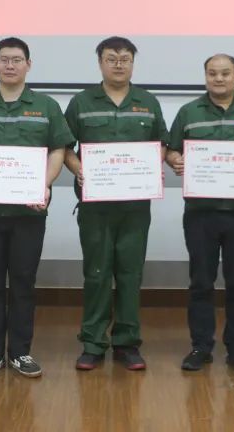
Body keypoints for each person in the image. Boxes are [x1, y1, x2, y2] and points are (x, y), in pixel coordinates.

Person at [0, 38, 73, 380]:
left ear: (28, 65)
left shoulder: (46, 106)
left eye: (17, 59)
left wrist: (44, 185)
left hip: (29, 212)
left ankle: (21, 351)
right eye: (4, 59)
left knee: (23, 282)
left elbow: (57, 150)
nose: (10, 65)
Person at [166, 54, 234, 373]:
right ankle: (200, 346)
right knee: (201, 282)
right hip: (200, 213)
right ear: (205, 76)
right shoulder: (189, 112)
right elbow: (171, 149)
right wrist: (175, 160)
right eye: (212, 73)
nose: (218, 79)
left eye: (225, 73)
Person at [63, 37, 168, 372]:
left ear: (133, 63)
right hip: (95, 206)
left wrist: (150, 168)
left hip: (135, 207)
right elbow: (64, 146)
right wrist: (79, 169)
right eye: (111, 58)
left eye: (125, 59)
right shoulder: (81, 102)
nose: (118, 64)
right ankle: (93, 343)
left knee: (129, 274)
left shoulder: (147, 102)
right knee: (96, 273)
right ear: (100, 63)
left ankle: (127, 342)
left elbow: (162, 145)